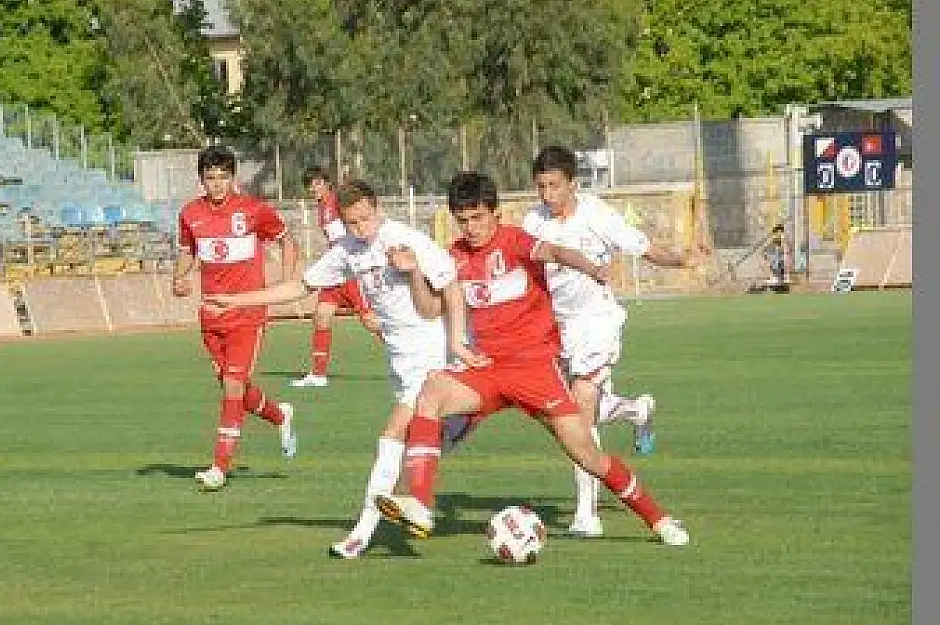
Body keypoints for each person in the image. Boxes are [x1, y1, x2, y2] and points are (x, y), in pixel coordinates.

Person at [374, 171, 690, 547]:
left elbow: (555, 252)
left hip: (536, 369)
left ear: (496, 213)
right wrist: (413, 276)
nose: (471, 227)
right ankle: (421, 504)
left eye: (478, 217)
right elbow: (429, 310)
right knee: (431, 392)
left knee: (588, 455)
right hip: (488, 368)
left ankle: (659, 519)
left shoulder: (516, 242)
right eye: (463, 220)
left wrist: (588, 266)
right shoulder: (453, 258)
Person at [203, 180, 460, 559]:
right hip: (401, 359)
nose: (361, 229)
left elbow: (451, 289)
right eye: (352, 223)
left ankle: (363, 530)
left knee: (390, 438)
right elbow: (299, 287)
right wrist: (237, 300)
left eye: (366, 219)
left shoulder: (407, 240)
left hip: (431, 353)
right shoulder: (347, 251)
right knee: (423, 437)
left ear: (378, 208)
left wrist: (456, 341)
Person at [521, 144, 704, 539]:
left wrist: (680, 259)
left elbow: (641, 246)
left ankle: (586, 514)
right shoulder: (533, 222)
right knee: (563, 414)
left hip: (596, 325)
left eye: (554, 186)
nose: (547, 195)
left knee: (580, 408)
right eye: (541, 187)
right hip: (555, 329)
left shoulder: (595, 214)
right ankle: (637, 411)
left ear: (572, 184)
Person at [171, 145, 299, 492]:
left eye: (223, 177)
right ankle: (280, 415)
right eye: (210, 178)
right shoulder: (190, 213)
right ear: (201, 180)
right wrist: (179, 277)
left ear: (233, 178)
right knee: (235, 387)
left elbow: (288, 241)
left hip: (247, 315)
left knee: (231, 387)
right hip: (211, 316)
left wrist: (286, 281)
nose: (216, 184)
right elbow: (188, 252)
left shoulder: (253, 210)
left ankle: (219, 467)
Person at [288, 167, 382, 388]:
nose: (313, 188)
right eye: (310, 185)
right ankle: (318, 375)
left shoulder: (337, 202)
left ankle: (415, 358)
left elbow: (356, 231)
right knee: (321, 316)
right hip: (336, 274)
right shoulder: (322, 207)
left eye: (317, 183)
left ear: (326, 183)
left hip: (351, 273)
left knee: (370, 322)